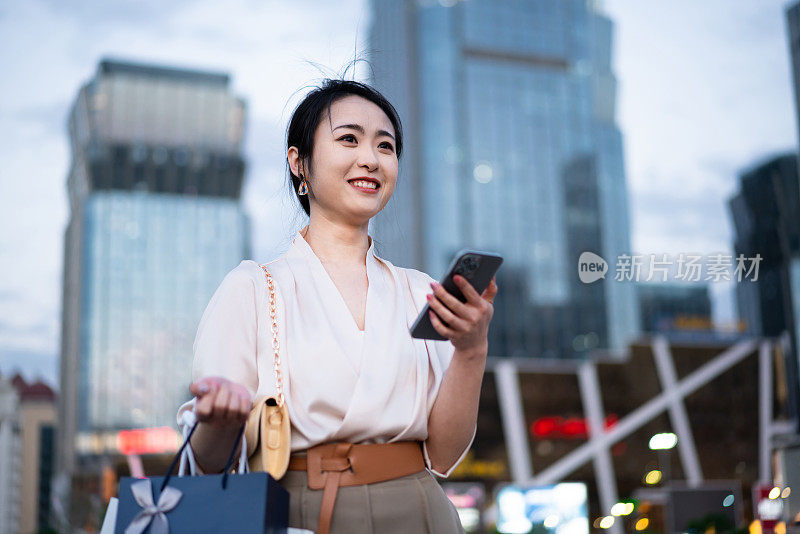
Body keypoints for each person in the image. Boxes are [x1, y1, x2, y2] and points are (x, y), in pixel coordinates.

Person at [176, 78, 498, 533]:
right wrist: (220, 421)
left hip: (421, 511)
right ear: (299, 163)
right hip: (298, 514)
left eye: (385, 146)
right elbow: (208, 463)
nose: (370, 158)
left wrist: (471, 350)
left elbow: (444, 455)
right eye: (348, 138)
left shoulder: (420, 292)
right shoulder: (251, 288)